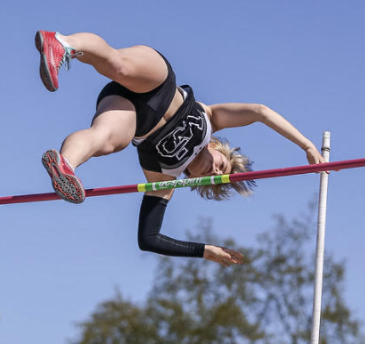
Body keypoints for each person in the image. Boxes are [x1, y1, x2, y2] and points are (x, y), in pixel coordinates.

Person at [35, 30, 325, 268]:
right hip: (156, 81)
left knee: (108, 140)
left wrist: (205, 251)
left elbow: (148, 238)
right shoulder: (212, 120)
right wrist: (307, 145)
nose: (215, 170)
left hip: (130, 114)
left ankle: (65, 165)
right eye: (221, 165)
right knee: (118, 64)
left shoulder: (165, 178)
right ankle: (63, 44)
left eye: (216, 176)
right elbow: (261, 112)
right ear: (216, 148)